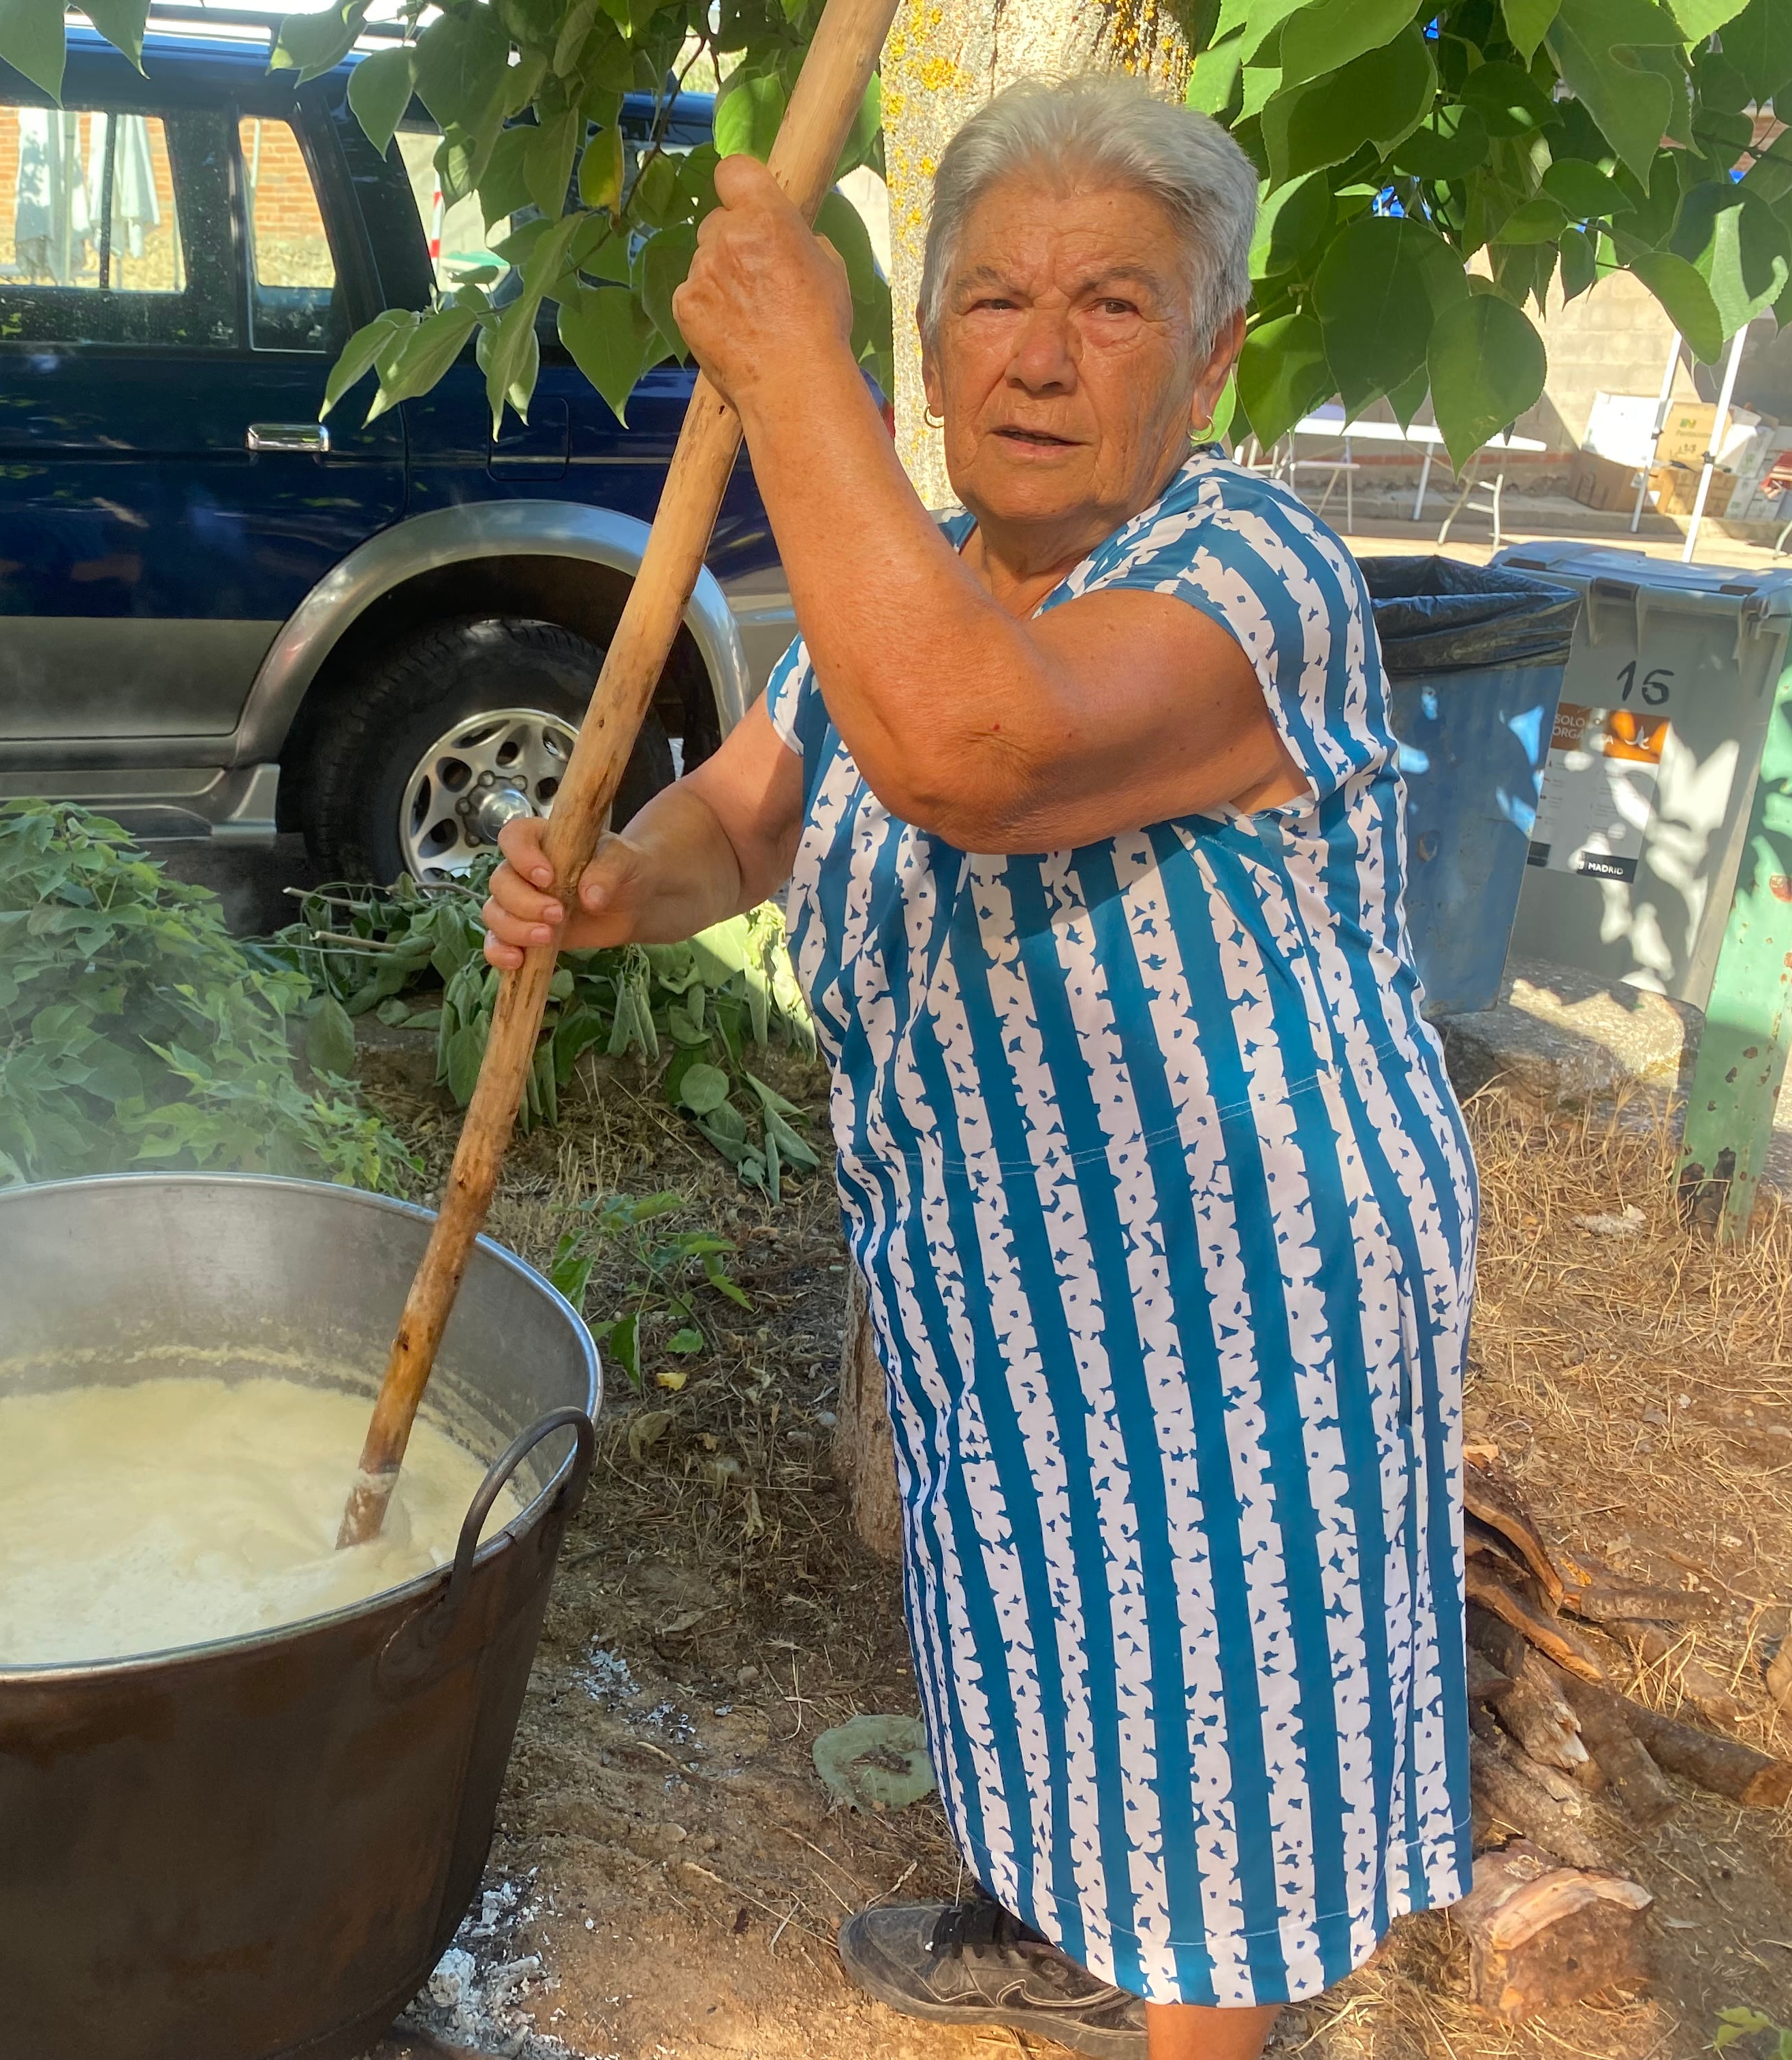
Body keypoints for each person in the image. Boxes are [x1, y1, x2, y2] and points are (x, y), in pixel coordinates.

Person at [481, 75, 1474, 2060]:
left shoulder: (1248, 570)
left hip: (1239, 1300)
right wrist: (607, 884)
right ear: (929, 348)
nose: (1037, 357)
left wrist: (788, 370)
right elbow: (759, 820)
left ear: (1212, 359)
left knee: (1223, 1760)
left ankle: (1183, 2011)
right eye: (988, 304)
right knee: (1050, 1661)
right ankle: (1057, 1929)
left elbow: (975, 752)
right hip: (1011, 1287)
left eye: (1112, 306)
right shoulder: (908, 575)